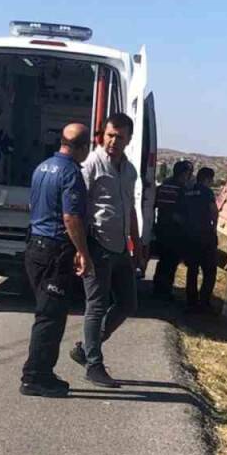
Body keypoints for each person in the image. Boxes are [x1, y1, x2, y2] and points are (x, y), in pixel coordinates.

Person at [20, 123, 92, 397]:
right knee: (50, 316)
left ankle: (42, 372)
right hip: (54, 251)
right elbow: (70, 217)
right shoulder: (71, 173)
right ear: (83, 147)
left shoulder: (43, 167)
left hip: (36, 247)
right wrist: (83, 252)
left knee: (47, 312)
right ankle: (35, 376)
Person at [71, 113, 141, 388]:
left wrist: (137, 244)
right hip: (97, 243)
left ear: (128, 140)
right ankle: (94, 365)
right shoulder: (91, 164)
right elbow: (77, 207)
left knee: (128, 303)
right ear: (103, 135)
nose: (113, 141)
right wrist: (80, 249)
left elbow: (130, 208)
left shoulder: (130, 170)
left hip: (121, 245)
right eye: (110, 135)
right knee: (96, 305)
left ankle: (86, 348)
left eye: (119, 137)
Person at [151, 160, 193, 299]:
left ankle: (158, 288)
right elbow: (177, 212)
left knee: (163, 261)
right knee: (170, 262)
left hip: (161, 229)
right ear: (183, 173)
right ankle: (165, 291)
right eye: (188, 173)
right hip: (173, 232)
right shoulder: (180, 189)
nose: (189, 176)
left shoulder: (164, 185)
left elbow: (156, 205)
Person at [182, 167, 219, 313]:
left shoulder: (188, 191)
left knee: (192, 270)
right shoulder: (207, 192)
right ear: (207, 179)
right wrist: (214, 227)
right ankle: (204, 302)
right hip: (205, 236)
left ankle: (191, 301)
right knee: (209, 271)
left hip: (190, 236)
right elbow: (213, 211)